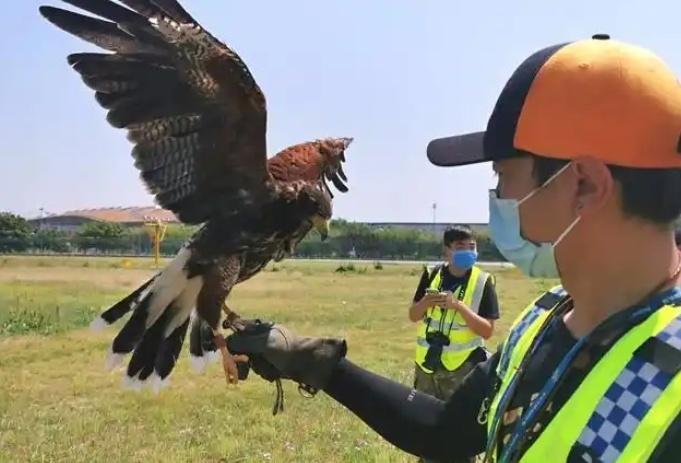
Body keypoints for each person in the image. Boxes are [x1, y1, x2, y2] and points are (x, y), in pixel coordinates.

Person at [227, 35, 681, 462]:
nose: (497, 197)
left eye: (503, 175)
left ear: (582, 184)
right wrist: (317, 363)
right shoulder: (544, 321)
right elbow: (447, 430)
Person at [410, 225, 499, 407]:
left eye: (472, 247)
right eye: (460, 247)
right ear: (446, 251)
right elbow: (413, 315)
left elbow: (487, 331)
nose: (468, 251)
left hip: (462, 369)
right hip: (427, 365)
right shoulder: (431, 274)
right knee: (421, 417)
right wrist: (427, 301)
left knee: (456, 422)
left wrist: (458, 306)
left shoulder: (483, 282)